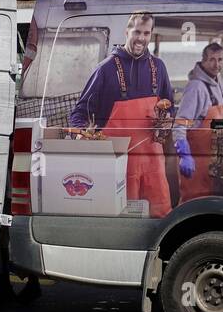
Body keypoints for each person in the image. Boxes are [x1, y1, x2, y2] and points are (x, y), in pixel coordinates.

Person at [69, 11, 175, 217]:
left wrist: (168, 119)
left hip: (153, 166)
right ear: (127, 32)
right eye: (137, 32)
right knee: (121, 219)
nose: (141, 38)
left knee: (160, 217)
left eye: (146, 33)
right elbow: (79, 113)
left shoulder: (159, 67)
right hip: (117, 167)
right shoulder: (106, 69)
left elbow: (170, 106)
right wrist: (82, 136)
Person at [172, 41, 223, 202]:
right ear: (204, 60)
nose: (216, 64)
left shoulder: (218, 82)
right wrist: (185, 154)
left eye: (220, 59)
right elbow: (180, 123)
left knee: (207, 201)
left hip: (212, 157)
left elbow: (222, 109)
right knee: (192, 201)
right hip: (195, 159)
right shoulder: (196, 87)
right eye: (212, 59)